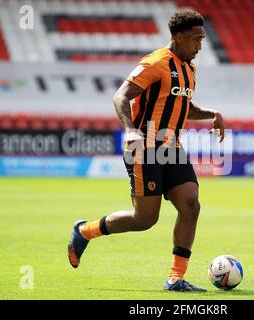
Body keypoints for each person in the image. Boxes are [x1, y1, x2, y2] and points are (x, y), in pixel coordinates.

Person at [67, 9, 225, 292]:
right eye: (196, 39)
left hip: (172, 146)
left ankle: (175, 278)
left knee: (190, 203)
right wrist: (129, 129)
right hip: (145, 147)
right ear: (178, 37)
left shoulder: (189, 67)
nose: (200, 46)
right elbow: (121, 96)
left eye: (202, 40)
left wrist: (212, 113)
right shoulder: (155, 63)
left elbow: (182, 106)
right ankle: (85, 231)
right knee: (145, 219)